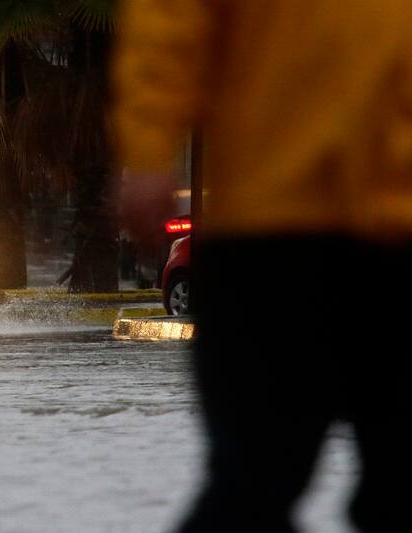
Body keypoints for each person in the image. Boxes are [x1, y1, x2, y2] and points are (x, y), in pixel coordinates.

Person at [113, 1, 412, 532]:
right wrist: (148, 149)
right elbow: (172, 19)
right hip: (271, 224)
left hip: (385, 225)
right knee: (255, 481)